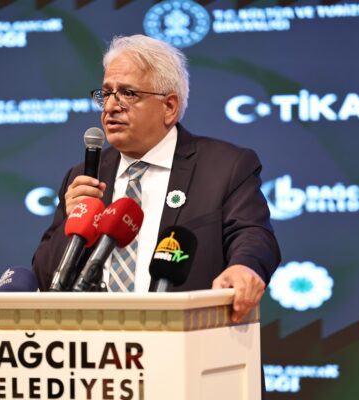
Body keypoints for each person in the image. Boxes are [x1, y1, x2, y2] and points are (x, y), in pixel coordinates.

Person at [32, 34, 280, 323]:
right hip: (98, 344)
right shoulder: (85, 176)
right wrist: (72, 227)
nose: (110, 106)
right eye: (106, 94)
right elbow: (45, 278)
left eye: (128, 93)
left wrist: (245, 267)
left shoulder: (225, 167)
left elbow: (253, 235)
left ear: (169, 107)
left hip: (188, 339)